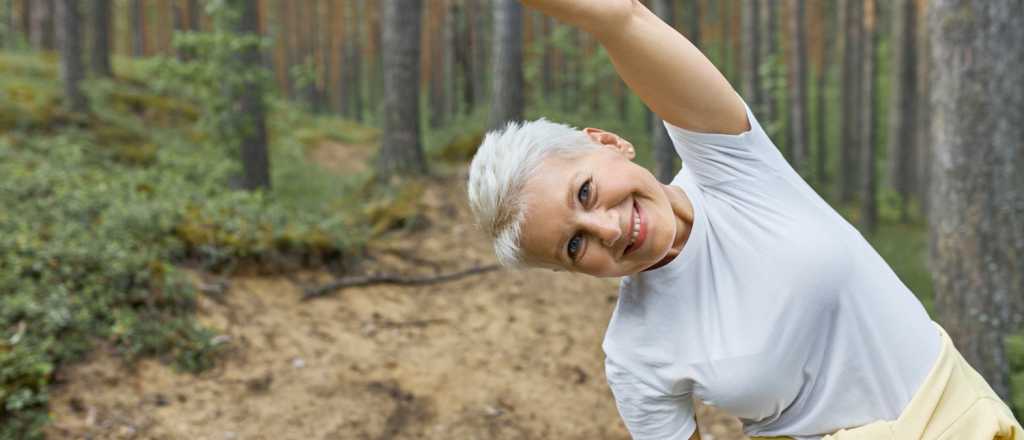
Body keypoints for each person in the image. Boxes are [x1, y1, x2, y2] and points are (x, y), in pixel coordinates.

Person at [467, 1, 1023, 439]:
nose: (608, 231)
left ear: (608, 143)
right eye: (573, 246)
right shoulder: (635, 354)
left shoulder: (731, 169)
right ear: (570, 275)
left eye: (585, 191)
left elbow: (621, 18)